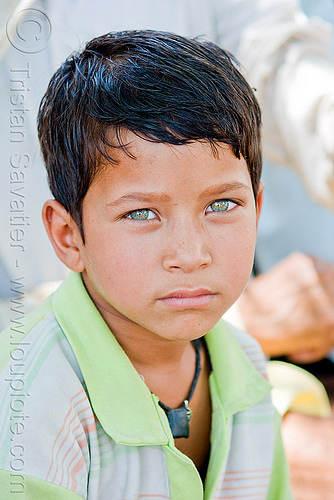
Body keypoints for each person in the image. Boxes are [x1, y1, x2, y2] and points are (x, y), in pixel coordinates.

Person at [0, 30, 293, 499]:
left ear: (257, 207)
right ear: (68, 235)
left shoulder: (247, 368)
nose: (191, 254)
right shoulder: (30, 401)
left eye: (221, 205)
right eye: (141, 214)